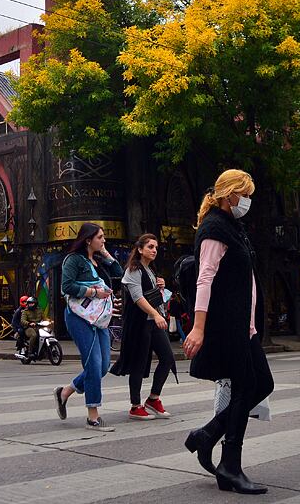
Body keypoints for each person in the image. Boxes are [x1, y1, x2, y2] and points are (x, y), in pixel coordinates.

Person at [183, 169, 274, 495]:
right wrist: (198, 327)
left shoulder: (233, 227)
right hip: (227, 326)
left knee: (263, 383)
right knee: (245, 386)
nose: (247, 201)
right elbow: (204, 280)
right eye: (243, 194)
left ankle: (207, 435)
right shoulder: (214, 228)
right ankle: (229, 467)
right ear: (228, 194)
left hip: (244, 326)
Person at [53, 222, 124, 431]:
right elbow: (66, 286)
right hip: (79, 317)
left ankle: (65, 392)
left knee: (102, 367)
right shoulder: (73, 260)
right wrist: (94, 293)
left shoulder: (98, 260)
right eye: (100, 237)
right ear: (88, 239)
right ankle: (93, 416)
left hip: (99, 318)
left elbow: (118, 271)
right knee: (93, 364)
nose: (103, 240)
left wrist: (105, 253)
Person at [110, 234, 176, 421]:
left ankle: (153, 398)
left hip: (153, 322)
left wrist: (160, 288)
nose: (154, 250)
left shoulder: (150, 271)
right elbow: (138, 298)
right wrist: (156, 315)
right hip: (140, 323)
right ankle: (135, 405)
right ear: (140, 249)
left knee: (168, 358)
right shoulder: (133, 270)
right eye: (150, 247)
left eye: (155, 247)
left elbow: (154, 297)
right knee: (138, 363)